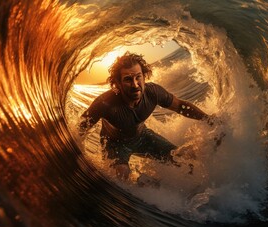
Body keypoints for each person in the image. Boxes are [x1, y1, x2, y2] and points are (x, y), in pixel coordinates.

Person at [79, 52, 216, 180]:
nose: (135, 84)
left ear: (144, 77)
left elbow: (180, 106)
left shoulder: (153, 92)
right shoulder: (105, 103)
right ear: (118, 84)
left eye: (138, 77)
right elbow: (80, 129)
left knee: (182, 161)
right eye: (127, 79)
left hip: (143, 137)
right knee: (122, 176)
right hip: (115, 145)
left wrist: (207, 119)